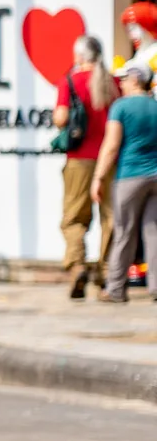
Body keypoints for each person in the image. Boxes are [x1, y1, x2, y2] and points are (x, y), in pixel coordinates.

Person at [54, 36, 118, 299]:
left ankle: (78, 265)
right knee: (111, 218)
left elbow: (60, 119)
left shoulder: (70, 81)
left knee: (73, 217)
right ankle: (106, 273)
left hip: (79, 159)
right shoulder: (112, 82)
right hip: (110, 159)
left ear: (80, 56)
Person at [97, 59, 157, 304]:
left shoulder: (120, 107)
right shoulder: (155, 106)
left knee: (124, 232)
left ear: (134, 80)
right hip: (156, 175)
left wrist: (98, 176)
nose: (120, 83)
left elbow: (111, 146)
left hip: (130, 176)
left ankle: (116, 288)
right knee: (153, 233)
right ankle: (156, 288)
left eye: (123, 79)